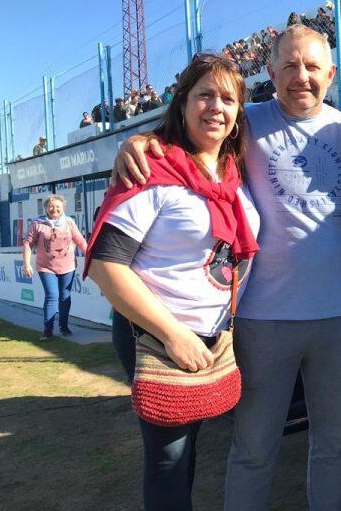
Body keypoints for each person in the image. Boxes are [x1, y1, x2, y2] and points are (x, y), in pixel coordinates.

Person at [112, 25, 341, 511]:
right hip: (261, 321)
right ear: (270, 71)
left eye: (312, 66)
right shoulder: (245, 122)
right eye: (289, 65)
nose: (301, 77)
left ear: (332, 73)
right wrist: (138, 140)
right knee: (254, 448)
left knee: (334, 443)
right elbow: (187, 129)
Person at [86, 53, 260, 510]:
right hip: (158, 335)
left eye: (227, 98)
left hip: (210, 334)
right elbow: (107, 265)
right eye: (204, 95)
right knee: (168, 458)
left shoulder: (231, 173)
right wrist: (174, 335)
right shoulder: (151, 169)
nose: (216, 107)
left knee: (188, 450)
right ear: (182, 103)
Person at [23, 194, 88, 340]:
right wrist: (26, 263)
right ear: (46, 208)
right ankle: (48, 330)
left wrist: (91, 256)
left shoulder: (69, 222)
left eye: (58, 206)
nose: (54, 209)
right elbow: (28, 244)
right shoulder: (37, 223)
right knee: (52, 296)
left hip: (68, 266)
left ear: (63, 208)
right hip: (46, 267)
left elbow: (81, 242)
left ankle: (64, 327)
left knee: (65, 296)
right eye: (51, 206)